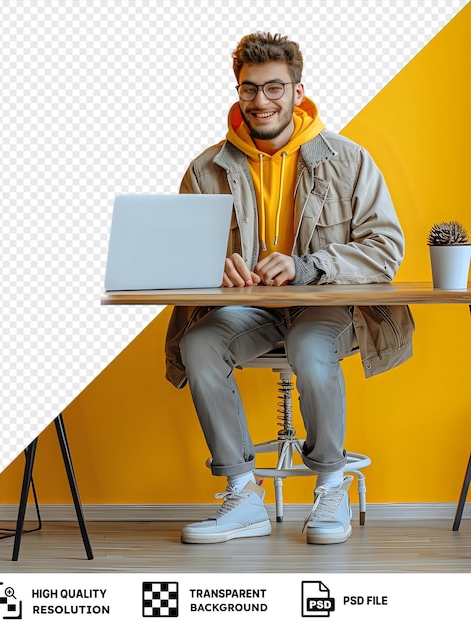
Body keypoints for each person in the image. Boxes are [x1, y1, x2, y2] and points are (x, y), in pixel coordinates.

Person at [165, 32, 414, 546]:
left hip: (324, 307)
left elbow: (386, 249)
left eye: (274, 88)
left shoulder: (349, 160)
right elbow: (176, 256)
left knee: (308, 344)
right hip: (249, 310)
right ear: (237, 92)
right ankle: (243, 495)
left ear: (298, 92)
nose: (261, 102)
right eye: (249, 89)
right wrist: (214, 268)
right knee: (198, 342)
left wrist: (308, 267)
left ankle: (330, 485)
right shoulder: (205, 169)